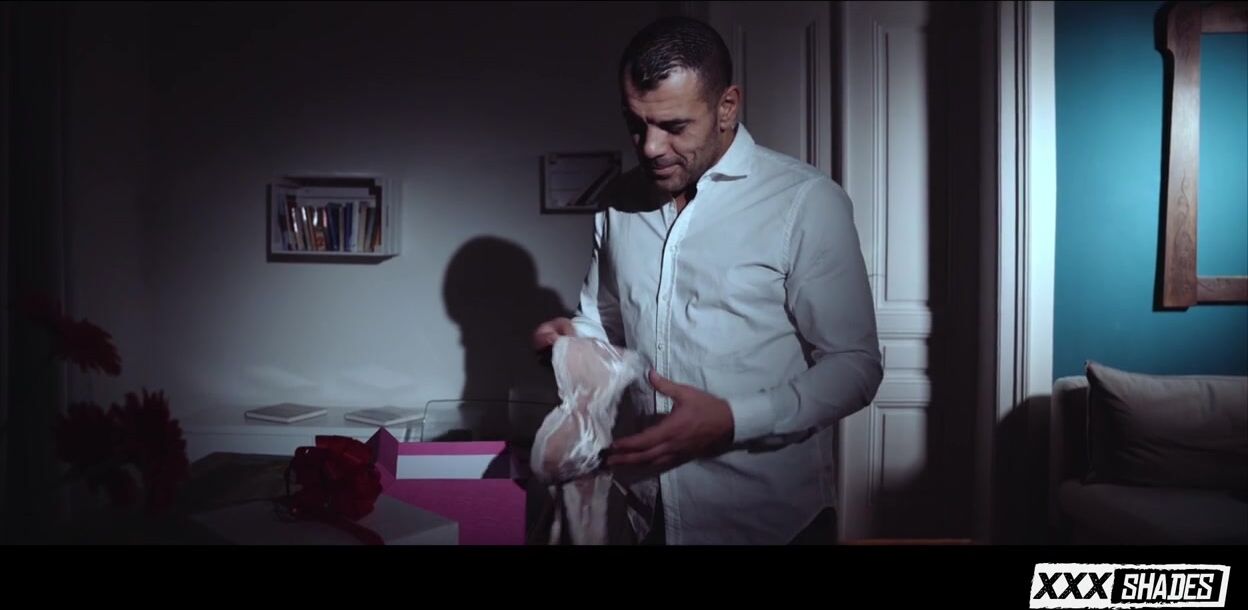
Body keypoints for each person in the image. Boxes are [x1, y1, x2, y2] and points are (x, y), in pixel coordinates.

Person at [532, 16, 882, 545]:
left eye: (673, 126)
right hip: (645, 515)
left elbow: (855, 367)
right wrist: (569, 344)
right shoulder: (618, 202)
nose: (650, 147)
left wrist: (734, 419)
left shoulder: (806, 203)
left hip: (771, 523)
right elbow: (605, 324)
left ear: (727, 107)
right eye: (635, 123)